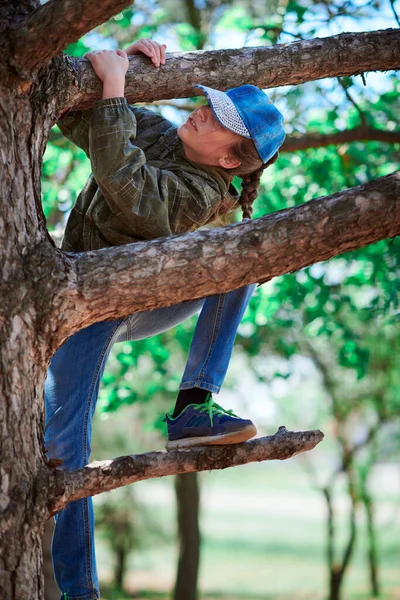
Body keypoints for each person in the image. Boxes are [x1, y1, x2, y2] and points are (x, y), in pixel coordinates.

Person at [44, 38, 285, 600]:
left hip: (130, 299)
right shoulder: (159, 132)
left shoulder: (203, 190)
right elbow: (73, 115)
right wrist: (117, 63)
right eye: (210, 103)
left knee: (239, 255)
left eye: (218, 120)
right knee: (62, 445)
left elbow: (128, 189)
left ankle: (193, 405)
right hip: (74, 295)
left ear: (230, 160)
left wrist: (114, 90)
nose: (200, 110)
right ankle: (74, 587)